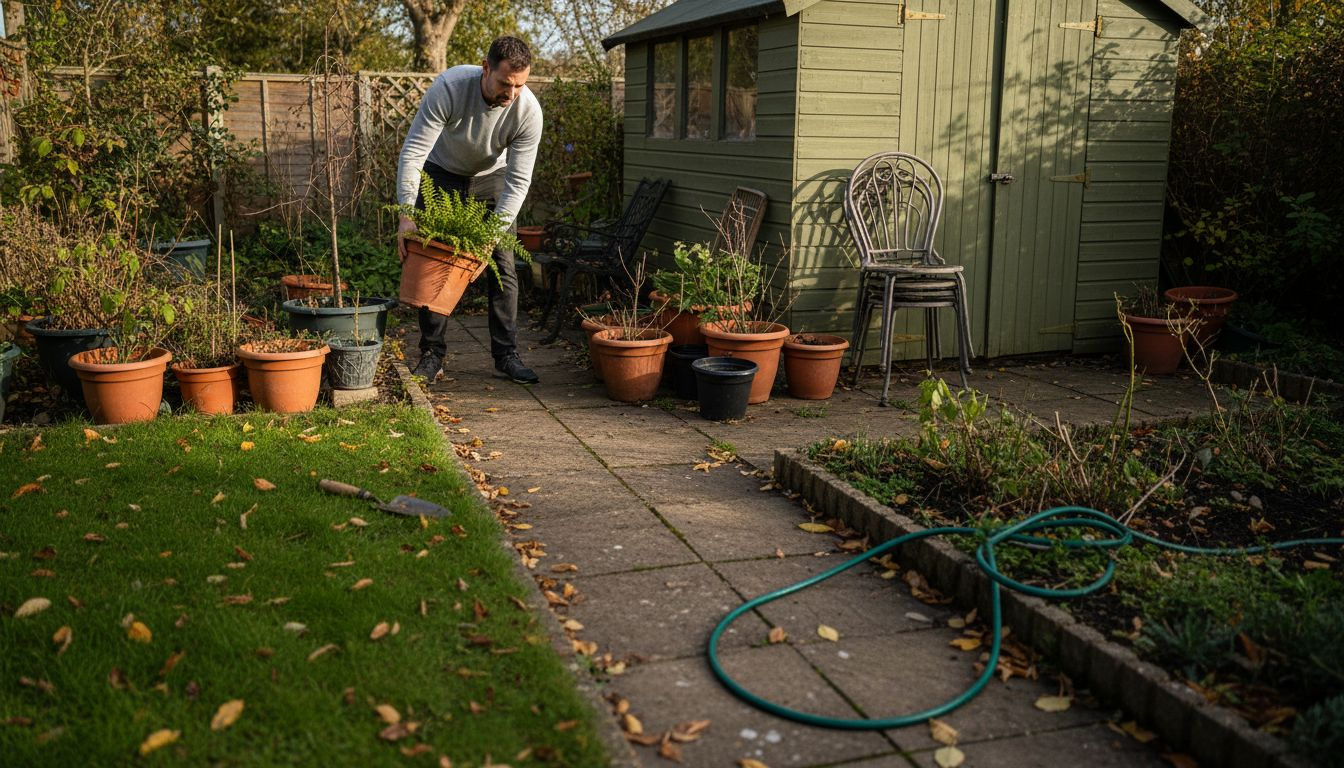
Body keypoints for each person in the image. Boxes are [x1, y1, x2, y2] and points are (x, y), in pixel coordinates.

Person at [396, 35, 543, 384]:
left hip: (493, 178)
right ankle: (432, 354)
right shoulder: (450, 87)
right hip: (441, 173)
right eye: (505, 83)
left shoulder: (528, 111)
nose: (512, 94)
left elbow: (518, 182)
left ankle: (506, 355)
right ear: (486, 68)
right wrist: (406, 214)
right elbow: (414, 152)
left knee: (503, 266)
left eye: (520, 85)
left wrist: (491, 237)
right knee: (432, 258)